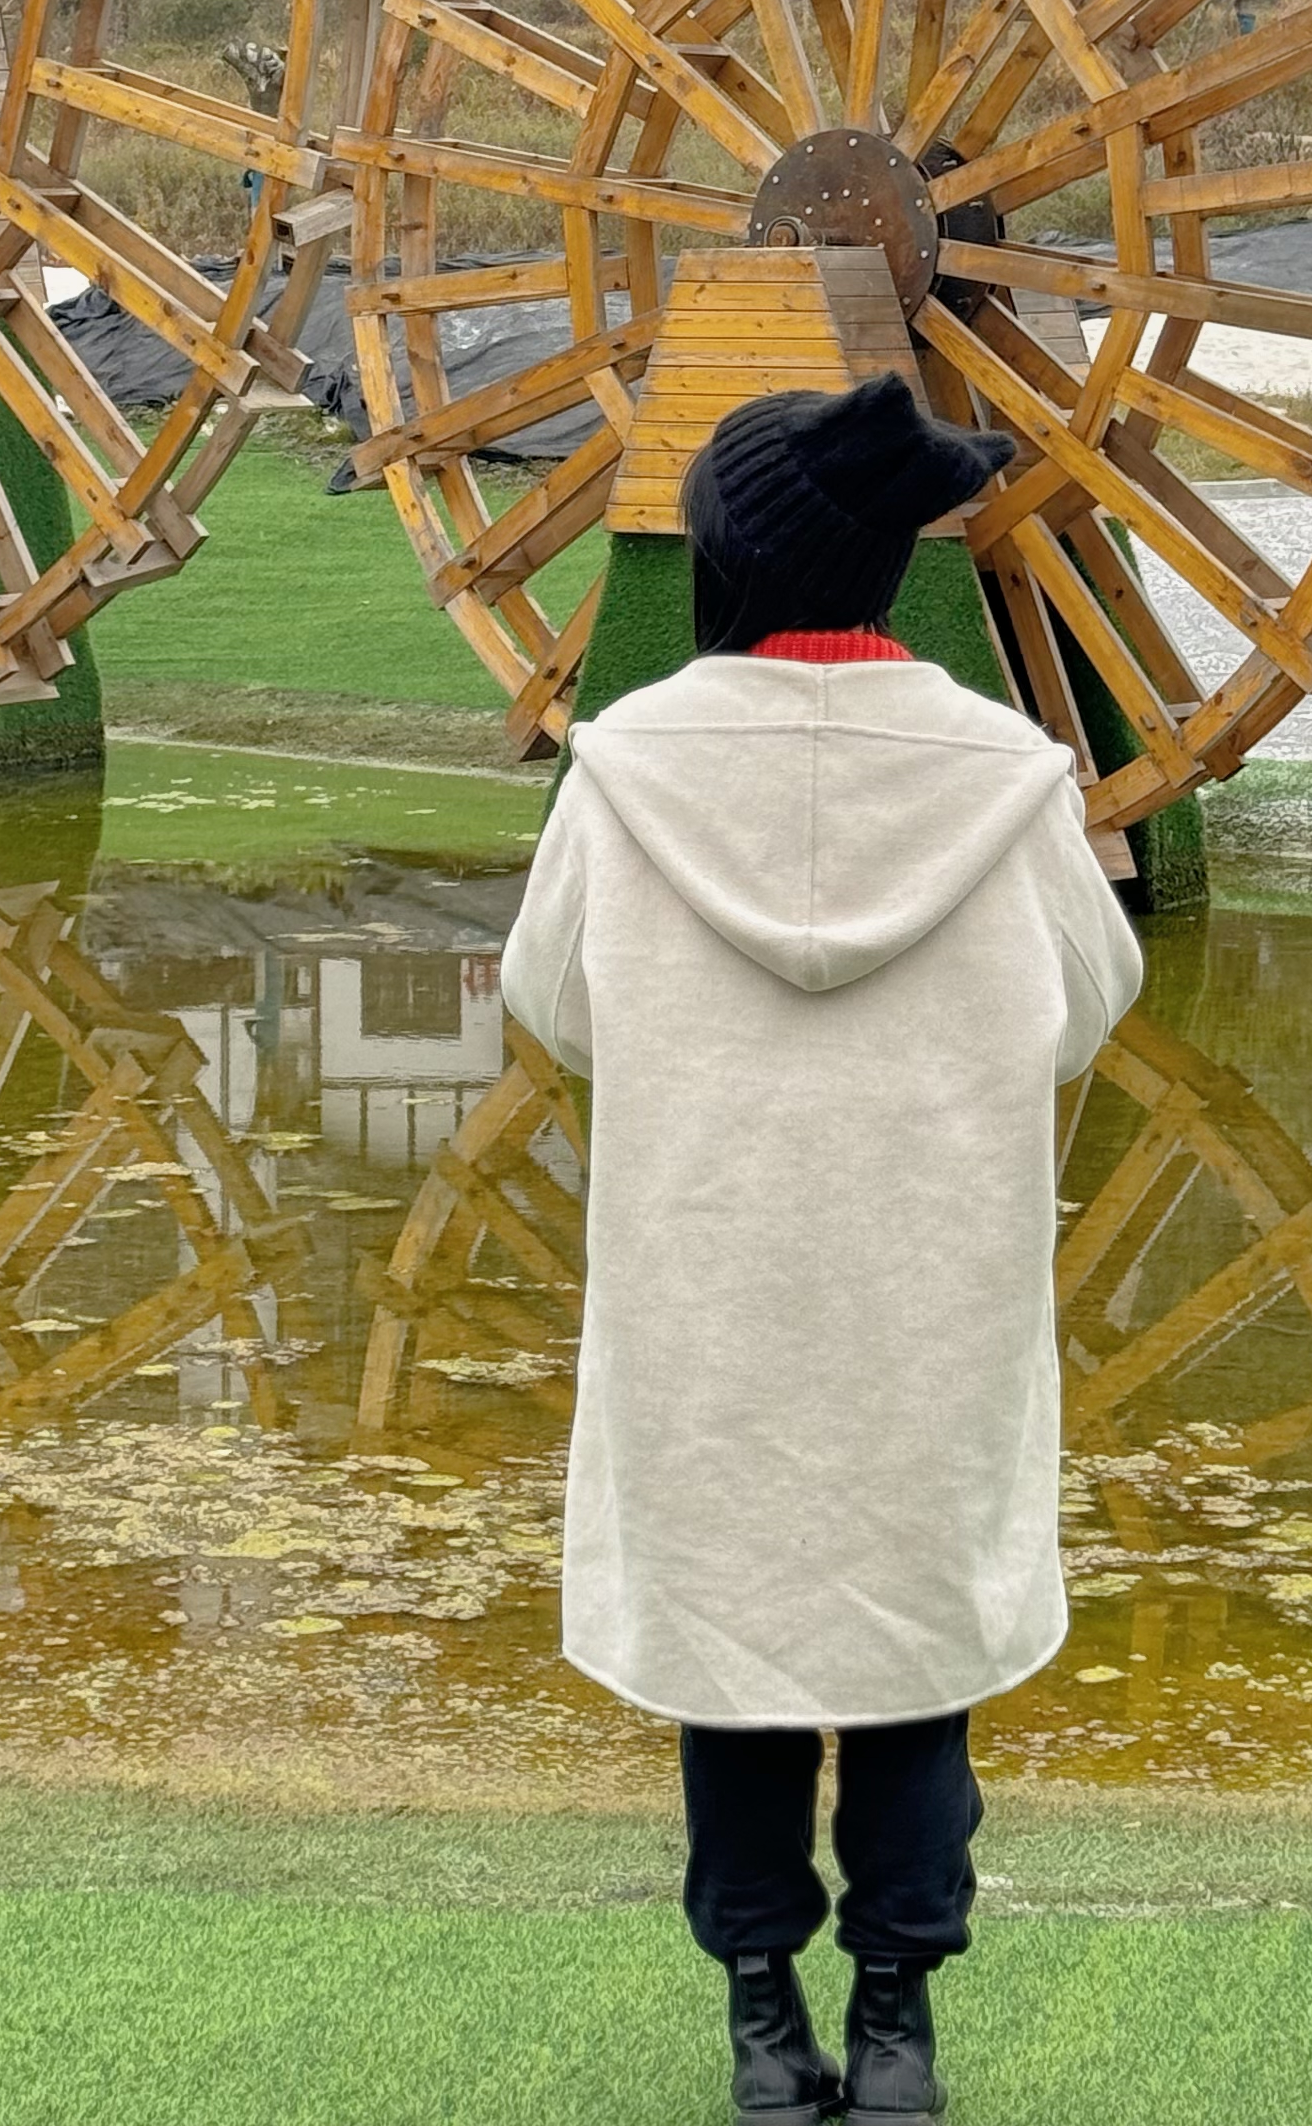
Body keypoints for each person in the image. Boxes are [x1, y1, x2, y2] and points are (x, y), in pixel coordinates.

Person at [500, 370, 1144, 2121]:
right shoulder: (1008, 784)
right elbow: (1092, 1001)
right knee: (915, 1656)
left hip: (706, 1286)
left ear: (726, 557)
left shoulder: (624, 774)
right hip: (926, 1291)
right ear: (878, 570)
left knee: (738, 1656)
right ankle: (901, 2027)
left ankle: (764, 2024)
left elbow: (550, 1000)